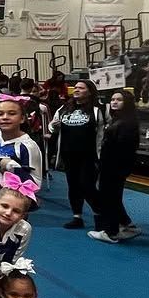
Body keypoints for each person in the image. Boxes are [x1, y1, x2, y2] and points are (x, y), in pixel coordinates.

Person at [49, 80, 105, 230]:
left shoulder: (97, 110)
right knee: (73, 186)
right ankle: (77, 217)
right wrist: (54, 127)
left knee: (87, 186)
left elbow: (103, 132)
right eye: (76, 87)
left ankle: (100, 216)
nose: (77, 90)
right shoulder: (64, 108)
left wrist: (101, 155)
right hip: (68, 155)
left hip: (89, 156)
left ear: (90, 91)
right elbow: (52, 125)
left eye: (81, 88)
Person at [89, 90, 142, 244]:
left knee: (109, 197)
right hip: (113, 166)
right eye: (112, 99)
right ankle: (127, 224)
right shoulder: (120, 120)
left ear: (127, 102)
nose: (114, 102)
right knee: (113, 197)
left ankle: (111, 232)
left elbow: (121, 148)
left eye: (119, 99)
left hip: (114, 166)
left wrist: (107, 165)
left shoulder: (125, 123)